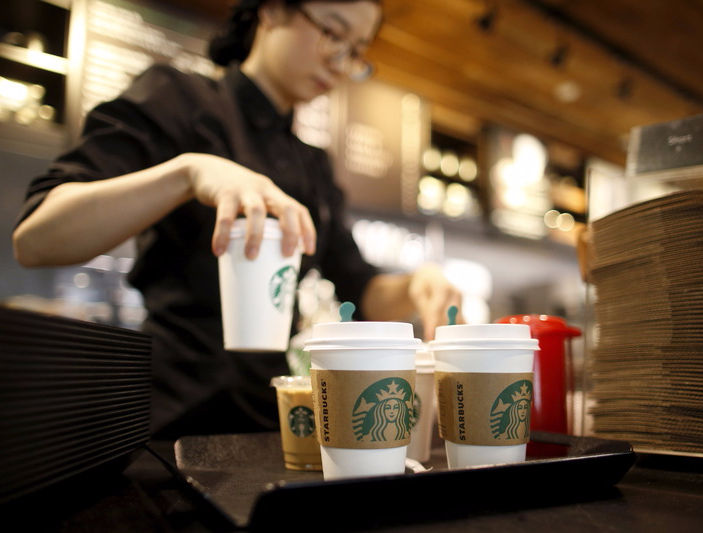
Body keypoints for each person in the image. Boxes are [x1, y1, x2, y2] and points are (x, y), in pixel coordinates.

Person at [13, 0, 463, 439]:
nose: (341, 62)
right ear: (270, 11)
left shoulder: (311, 164)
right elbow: (36, 239)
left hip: (271, 420)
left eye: (357, 51)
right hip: (167, 416)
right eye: (332, 32)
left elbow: (359, 289)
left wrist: (412, 285)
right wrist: (189, 173)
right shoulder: (177, 99)